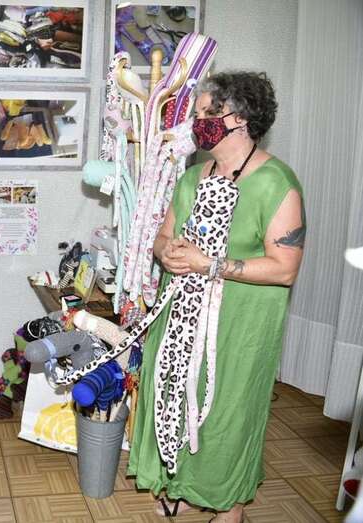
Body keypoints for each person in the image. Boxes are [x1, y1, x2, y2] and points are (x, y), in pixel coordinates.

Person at [128, 72, 305, 523]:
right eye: (198, 113)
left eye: (208, 113)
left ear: (240, 118)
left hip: (240, 324)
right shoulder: (192, 178)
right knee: (179, 402)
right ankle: (189, 488)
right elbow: (164, 236)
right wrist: (165, 251)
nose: (198, 121)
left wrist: (212, 264)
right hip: (181, 320)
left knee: (229, 411)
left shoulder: (276, 183)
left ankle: (230, 507)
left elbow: (284, 268)